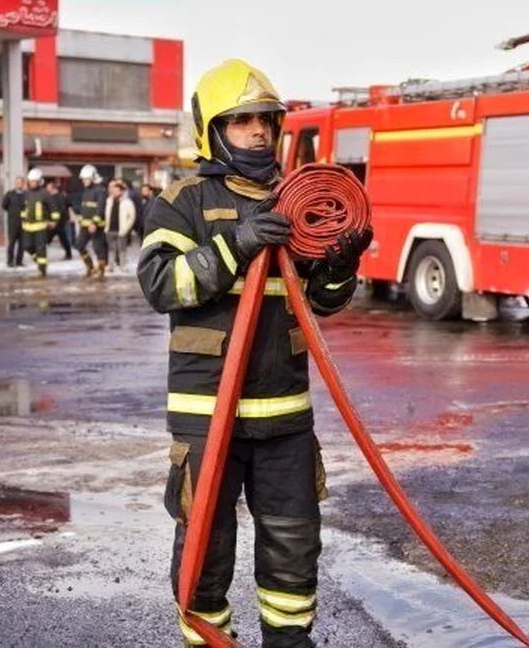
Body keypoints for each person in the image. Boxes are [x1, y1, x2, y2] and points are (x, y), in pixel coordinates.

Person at [139, 59, 371, 647]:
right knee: (204, 557)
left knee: (294, 555)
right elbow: (162, 284)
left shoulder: (297, 202)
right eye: (242, 120)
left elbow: (323, 303)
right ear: (213, 130)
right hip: (206, 416)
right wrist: (236, 242)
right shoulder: (183, 202)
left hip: (285, 418)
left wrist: (342, 266)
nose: (259, 131)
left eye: (266, 119)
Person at [21, 169, 59, 278]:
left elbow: (54, 208)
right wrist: (23, 219)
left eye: (34, 181)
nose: (32, 183)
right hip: (28, 225)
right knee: (27, 246)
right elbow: (25, 208)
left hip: (41, 226)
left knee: (41, 249)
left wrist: (54, 221)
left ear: (39, 181)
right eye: (31, 181)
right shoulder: (26, 193)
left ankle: (41, 270)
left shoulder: (45, 194)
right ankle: (41, 263)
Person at [73, 165, 108, 280]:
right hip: (85, 225)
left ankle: (101, 272)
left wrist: (94, 223)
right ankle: (90, 267)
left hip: (96, 226)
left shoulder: (100, 190)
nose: (84, 181)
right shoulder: (86, 190)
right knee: (78, 245)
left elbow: (100, 208)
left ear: (93, 177)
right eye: (83, 179)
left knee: (98, 248)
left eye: (86, 179)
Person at [104, 180, 136, 273]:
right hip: (110, 229)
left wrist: (126, 229)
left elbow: (132, 217)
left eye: (116, 190)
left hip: (121, 230)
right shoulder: (109, 201)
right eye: (113, 190)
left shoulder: (128, 202)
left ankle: (123, 266)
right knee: (111, 249)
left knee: (122, 249)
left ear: (122, 191)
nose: (114, 192)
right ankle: (110, 266)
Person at [45, 180, 74, 260]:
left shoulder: (59, 197)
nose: (46, 189)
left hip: (58, 222)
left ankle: (68, 254)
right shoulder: (55, 196)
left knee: (48, 238)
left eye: (48, 188)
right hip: (56, 222)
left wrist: (55, 221)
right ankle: (69, 254)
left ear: (52, 188)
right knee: (62, 238)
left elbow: (62, 209)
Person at [1, 176, 26, 267]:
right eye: (17, 182)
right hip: (13, 222)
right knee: (11, 242)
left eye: (20, 182)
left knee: (22, 243)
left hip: (24, 222)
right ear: (15, 183)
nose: (19, 184)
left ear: (23, 183)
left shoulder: (26, 194)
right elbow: (4, 205)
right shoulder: (9, 194)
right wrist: (12, 212)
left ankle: (19, 261)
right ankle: (10, 261)